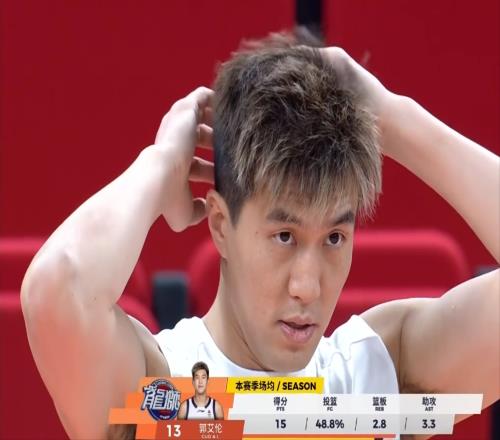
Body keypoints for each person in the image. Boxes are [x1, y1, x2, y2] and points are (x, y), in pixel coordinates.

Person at [20, 31, 498, 439]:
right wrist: (161, 164)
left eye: (334, 238)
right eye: (284, 236)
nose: (307, 287)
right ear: (220, 225)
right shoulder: (158, 393)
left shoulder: (376, 380)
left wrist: (394, 119)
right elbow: (57, 288)